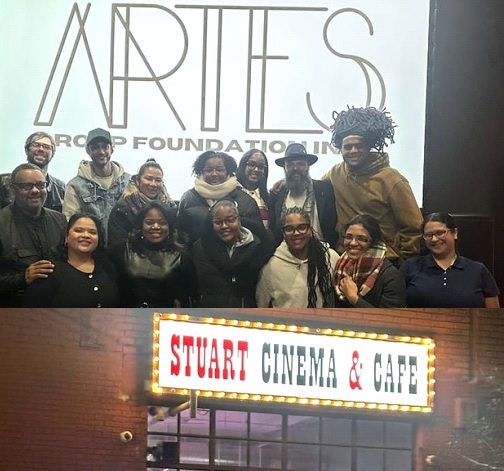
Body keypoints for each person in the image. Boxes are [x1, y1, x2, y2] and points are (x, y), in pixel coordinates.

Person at [322, 106, 423, 264]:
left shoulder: (392, 179)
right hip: (346, 258)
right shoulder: (336, 173)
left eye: (359, 146)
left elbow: (414, 227)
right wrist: (287, 181)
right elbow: (314, 186)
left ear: (369, 147)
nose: (353, 151)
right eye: (348, 147)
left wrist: (403, 261)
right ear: (340, 149)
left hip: (384, 260)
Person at [400, 212, 500, 308]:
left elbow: (494, 314)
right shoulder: (410, 266)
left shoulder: (478, 270)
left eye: (440, 233)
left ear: (455, 233)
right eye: (428, 235)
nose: (434, 239)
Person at [186, 199, 273, 307]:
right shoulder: (200, 248)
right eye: (218, 222)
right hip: (211, 312)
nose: (224, 226)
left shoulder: (257, 247)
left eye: (230, 220)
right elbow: (192, 284)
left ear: (239, 220)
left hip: (246, 311)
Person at [23, 213, 120, 307]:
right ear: (66, 237)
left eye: (92, 232)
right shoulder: (48, 270)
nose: (86, 235)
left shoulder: (107, 267)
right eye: (78, 230)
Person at [108, 201, 188, 308]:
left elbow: (185, 295)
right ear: (141, 225)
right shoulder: (121, 249)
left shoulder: (181, 255)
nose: (156, 227)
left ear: (170, 227)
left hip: (163, 315)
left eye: (162, 223)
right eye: (149, 222)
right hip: (126, 314)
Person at [177, 150, 263, 248]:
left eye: (219, 170)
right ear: (201, 172)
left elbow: (258, 236)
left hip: (237, 256)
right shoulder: (188, 198)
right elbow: (180, 234)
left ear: (228, 172)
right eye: (209, 170)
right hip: (197, 255)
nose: (214, 174)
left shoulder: (246, 201)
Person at [256, 206, 339, 308]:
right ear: (283, 233)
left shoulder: (330, 257)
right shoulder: (271, 268)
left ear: (310, 230)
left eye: (302, 227)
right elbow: (262, 306)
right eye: (289, 229)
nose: (296, 233)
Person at [62, 128, 130, 243]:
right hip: (91, 249)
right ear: (88, 150)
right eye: (95, 147)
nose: (101, 152)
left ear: (112, 149)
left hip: (124, 248)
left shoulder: (128, 181)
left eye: (105, 147)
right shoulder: (75, 185)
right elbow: (69, 221)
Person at [269, 143, 337, 248]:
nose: (295, 168)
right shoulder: (277, 194)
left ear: (308, 166)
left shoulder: (324, 190)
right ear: (284, 168)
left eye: (300, 164)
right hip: (286, 252)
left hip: (321, 249)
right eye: (290, 164)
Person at [334, 214, 406, 308]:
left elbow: (390, 316)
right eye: (348, 237)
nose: (353, 243)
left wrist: (354, 298)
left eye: (361, 239)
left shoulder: (391, 276)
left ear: (374, 242)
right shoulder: (341, 266)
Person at [108, 158, 177, 244]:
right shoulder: (123, 209)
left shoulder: (170, 207)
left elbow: (175, 238)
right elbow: (117, 243)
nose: (153, 184)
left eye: (158, 180)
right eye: (148, 179)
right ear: (137, 181)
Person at [0, 132, 66, 211]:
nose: (41, 149)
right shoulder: (4, 183)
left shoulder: (60, 188)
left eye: (46, 147)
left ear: (53, 154)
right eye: (36, 145)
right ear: (26, 150)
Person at [236, 148, 270, 228]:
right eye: (251, 164)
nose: (256, 169)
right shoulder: (232, 193)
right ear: (243, 166)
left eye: (261, 166)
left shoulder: (268, 198)